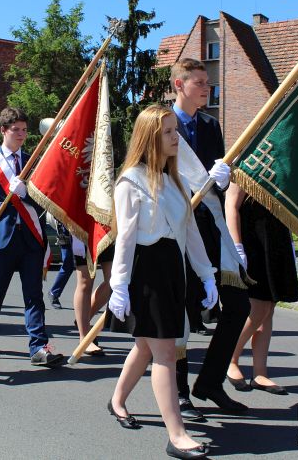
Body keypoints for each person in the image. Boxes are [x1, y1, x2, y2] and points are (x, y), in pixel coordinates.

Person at [107, 104, 215, 459]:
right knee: (165, 353)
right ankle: (177, 434)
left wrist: (207, 275)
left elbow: (191, 232)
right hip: (146, 274)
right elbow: (125, 237)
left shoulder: (173, 181)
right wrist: (119, 285)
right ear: (150, 137)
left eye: (176, 131)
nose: (176, 138)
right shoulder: (130, 181)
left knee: (145, 347)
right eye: (169, 132)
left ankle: (117, 400)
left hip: (173, 271)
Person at [169, 58, 248, 415]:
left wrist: (223, 178)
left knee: (237, 306)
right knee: (183, 309)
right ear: (178, 85)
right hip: (178, 229)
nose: (206, 87)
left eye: (207, 82)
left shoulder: (210, 125)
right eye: (198, 81)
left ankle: (211, 382)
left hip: (211, 229)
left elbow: (220, 182)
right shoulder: (162, 125)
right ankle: (180, 392)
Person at [0, 107, 64, 367]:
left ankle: (39, 346)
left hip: (30, 238)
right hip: (1, 237)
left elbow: (43, 202)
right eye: (15, 130)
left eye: (23, 130)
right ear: (3, 131)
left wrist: (26, 194)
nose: (21, 135)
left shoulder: (32, 161)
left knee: (34, 294)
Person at [225, 183, 298, 395]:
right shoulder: (246, 159)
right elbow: (231, 205)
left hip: (274, 237)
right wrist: (237, 247)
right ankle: (229, 357)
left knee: (268, 309)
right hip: (252, 240)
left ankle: (260, 373)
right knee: (258, 308)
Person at [71, 235, 113, 356]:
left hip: (107, 227)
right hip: (82, 226)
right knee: (85, 282)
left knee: (113, 281)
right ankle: (84, 338)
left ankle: (83, 320)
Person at [47, 219, 73, 310]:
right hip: (66, 228)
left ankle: (87, 300)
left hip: (80, 226)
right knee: (68, 264)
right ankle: (54, 293)